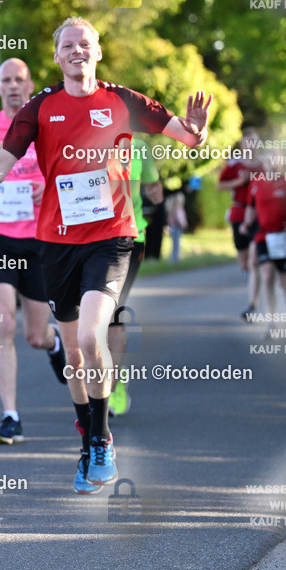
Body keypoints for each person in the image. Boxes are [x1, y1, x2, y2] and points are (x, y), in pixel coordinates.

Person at [0, 16, 212, 493]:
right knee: (71, 352)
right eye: (68, 45)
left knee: (91, 339)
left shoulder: (124, 101)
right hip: (56, 242)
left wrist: (198, 130)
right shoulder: (39, 107)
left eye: (85, 43)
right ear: (56, 56)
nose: (77, 51)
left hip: (112, 238)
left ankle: (103, 438)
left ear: (98, 51)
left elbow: (188, 137)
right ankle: (87, 437)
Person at [0, 58, 67, 445]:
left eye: (20, 79)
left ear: (30, 83)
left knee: (36, 336)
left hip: (39, 239)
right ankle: (11, 416)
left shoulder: (46, 122)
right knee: (4, 324)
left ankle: (56, 346)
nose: (14, 86)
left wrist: (47, 188)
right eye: (6, 80)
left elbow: (65, 170)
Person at [106, 136, 162, 417]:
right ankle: (103, 376)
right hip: (89, 240)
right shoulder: (83, 143)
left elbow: (155, 187)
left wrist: (155, 193)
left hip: (130, 236)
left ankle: (113, 387)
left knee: (113, 314)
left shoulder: (140, 148)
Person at [241, 152, 286, 330]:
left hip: (284, 237)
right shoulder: (256, 183)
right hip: (263, 237)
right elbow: (251, 207)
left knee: (285, 281)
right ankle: (271, 320)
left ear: (282, 163)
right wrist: (246, 224)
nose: (272, 164)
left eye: (276, 161)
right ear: (264, 164)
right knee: (267, 274)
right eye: (269, 161)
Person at [217, 131, 263, 319]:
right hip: (239, 212)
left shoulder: (263, 165)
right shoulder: (234, 164)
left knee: (254, 259)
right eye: (247, 142)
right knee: (243, 260)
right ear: (243, 145)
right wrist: (239, 181)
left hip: (259, 214)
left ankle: (253, 301)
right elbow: (220, 186)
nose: (250, 146)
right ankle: (250, 273)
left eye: (254, 143)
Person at [166, 191, 188, 264]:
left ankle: (174, 258)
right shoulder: (178, 209)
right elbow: (179, 219)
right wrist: (183, 224)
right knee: (176, 244)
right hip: (176, 228)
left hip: (173, 228)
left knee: (175, 244)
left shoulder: (173, 209)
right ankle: (175, 259)